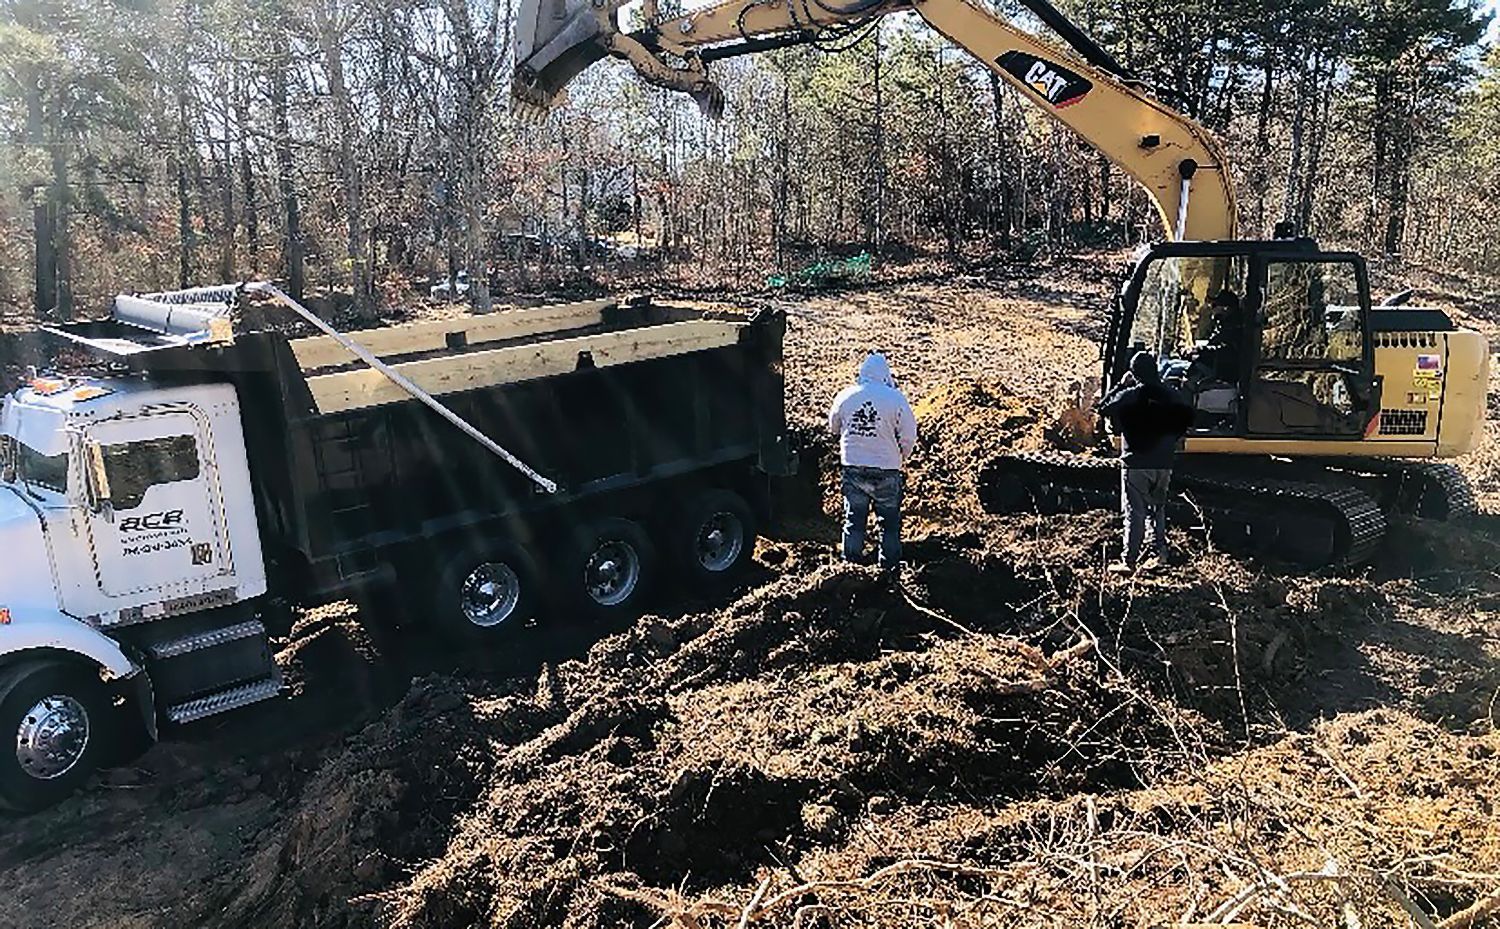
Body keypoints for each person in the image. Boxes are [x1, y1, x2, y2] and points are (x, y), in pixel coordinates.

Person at [1099, 351, 1194, 573]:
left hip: (1136, 463)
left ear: (1134, 373)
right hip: (1164, 464)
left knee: (1135, 512)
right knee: (1157, 510)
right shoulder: (1174, 395)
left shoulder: (1130, 395)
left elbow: (1103, 408)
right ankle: (1158, 555)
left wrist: (1120, 386)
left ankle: (1128, 560)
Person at [828, 352, 917, 572]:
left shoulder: (845, 396)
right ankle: (889, 572)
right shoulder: (896, 399)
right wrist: (900, 457)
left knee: (854, 520)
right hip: (887, 469)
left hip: (854, 467)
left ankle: (849, 569)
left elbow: (833, 427)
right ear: (885, 375)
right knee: (889, 524)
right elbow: (908, 436)